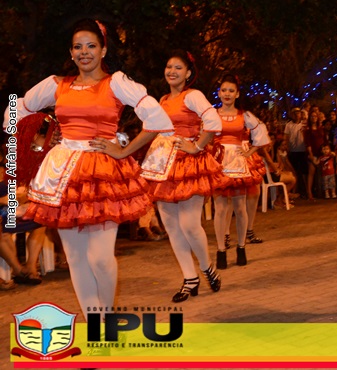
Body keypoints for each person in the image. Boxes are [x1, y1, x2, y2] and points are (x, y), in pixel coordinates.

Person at [2, 19, 173, 318]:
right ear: (70, 52)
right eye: (78, 47)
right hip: (63, 173)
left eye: (91, 46)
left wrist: (123, 150)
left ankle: (107, 320)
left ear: (103, 50)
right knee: (76, 259)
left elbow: (157, 119)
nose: (84, 52)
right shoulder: (58, 84)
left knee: (101, 259)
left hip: (102, 172)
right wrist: (43, 137)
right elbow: (15, 112)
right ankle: (97, 326)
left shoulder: (116, 82)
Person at [141, 51, 223, 302]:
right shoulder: (163, 99)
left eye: (178, 67)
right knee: (172, 227)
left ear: (188, 73)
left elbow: (213, 121)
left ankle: (207, 268)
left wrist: (196, 146)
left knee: (189, 225)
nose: (172, 71)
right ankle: (190, 278)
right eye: (169, 66)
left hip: (188, 164)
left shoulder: (193, 95)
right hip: (163, 164)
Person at [212, 74, 269, 269]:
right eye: (224, 90)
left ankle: (241, 247)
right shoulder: (211, 115)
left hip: (237, 162)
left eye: (231, 91)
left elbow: (261, 132)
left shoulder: (244, 115)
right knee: (220, 208)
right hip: (219, 163)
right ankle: (221, 250)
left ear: (237, 94)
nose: (227, 94)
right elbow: (202, 136)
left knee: (240, 207)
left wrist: (249, 152)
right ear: (219, 93)